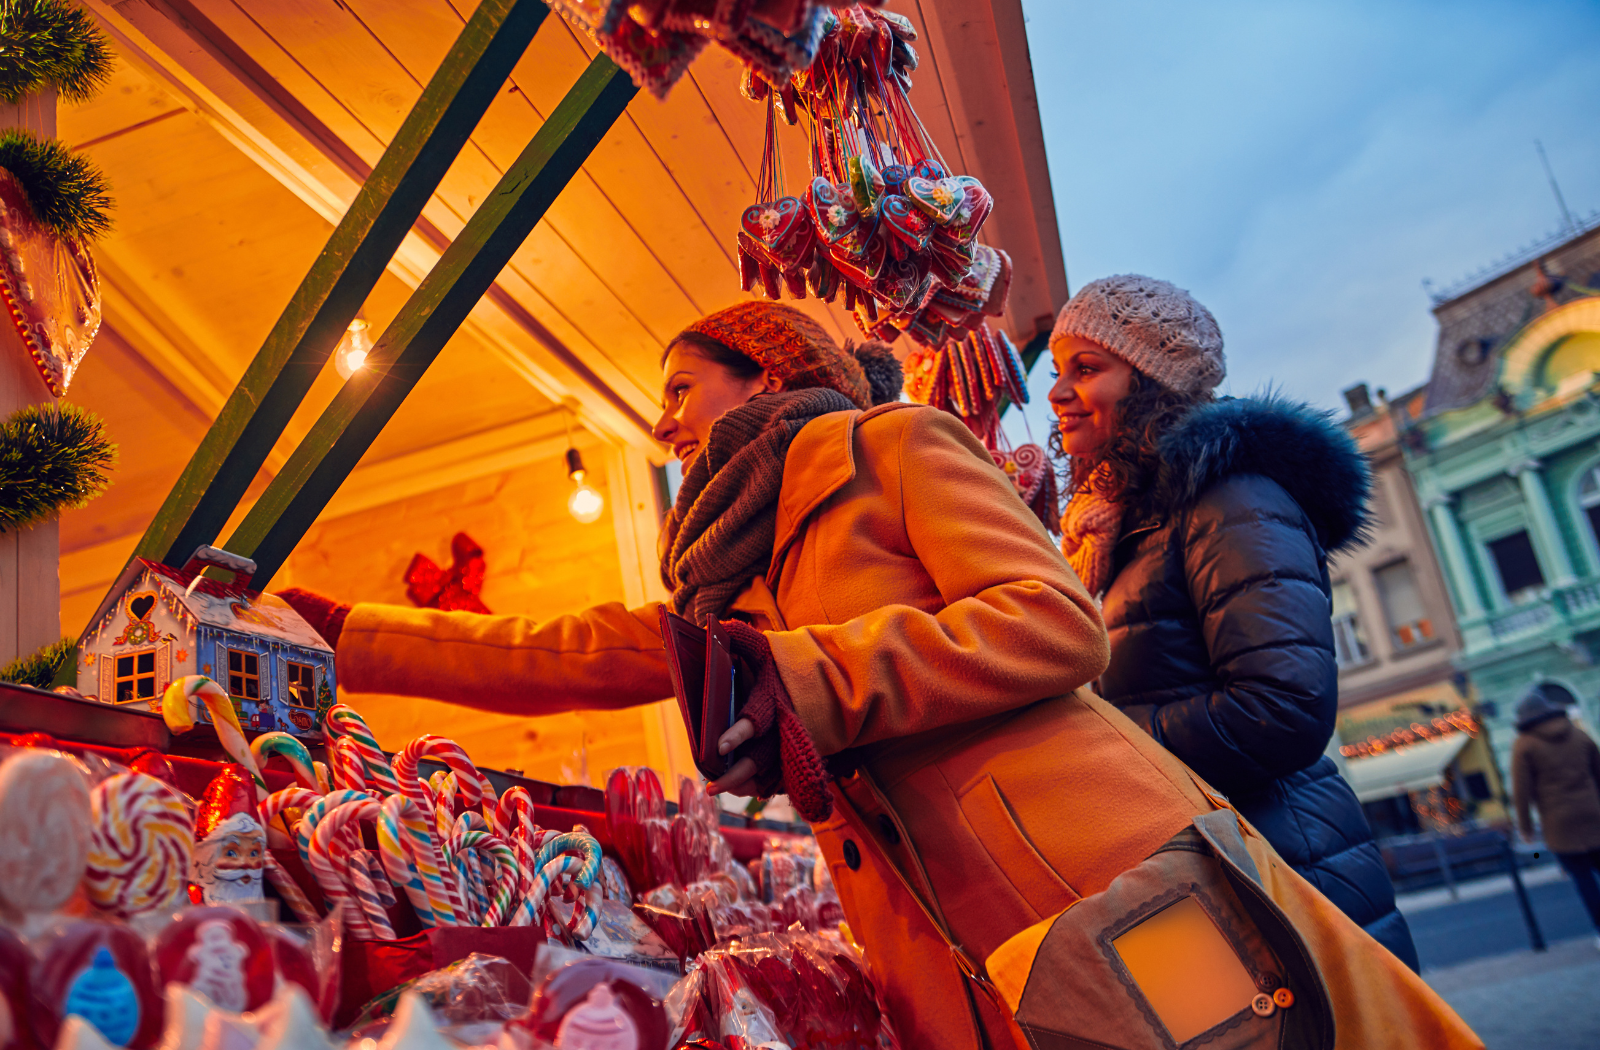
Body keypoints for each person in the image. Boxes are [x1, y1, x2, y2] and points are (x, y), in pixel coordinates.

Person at [283, 300, 1470, 1049]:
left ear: (762, 374)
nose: (665, 424)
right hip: (947, 949)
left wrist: (801, 677)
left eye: (681, 390)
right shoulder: (732, 579)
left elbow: (1054, 625)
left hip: (1107, 876)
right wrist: (340, 634)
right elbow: (576, 649)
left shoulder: (891, 447)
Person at [1048, 273, 1420, 970]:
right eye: (1057, 371)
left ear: (1153, 381)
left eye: (1086, 369)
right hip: (1220, 875)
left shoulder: (1231, 497)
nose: (1057, 393)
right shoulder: (1125, 526)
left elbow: (1282, 707)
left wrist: (1094, 745)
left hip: (1284, 873)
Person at [1512, 684, 1600, 941]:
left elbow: (1521, 791)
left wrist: (1525, 828)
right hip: (1594, 814)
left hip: (1559, 823)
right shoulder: (1579, 735)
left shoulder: (1524, 745)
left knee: (1583, 880)